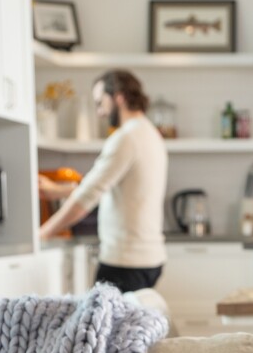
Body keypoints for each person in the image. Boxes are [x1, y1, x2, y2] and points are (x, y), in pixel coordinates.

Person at [39, 69, 168, 293]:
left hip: (125, 262)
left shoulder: (126, 138)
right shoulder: (149, 134)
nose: (100, 112)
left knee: (102, 327)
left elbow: (88, 195)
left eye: (100, 102)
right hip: (148, 259)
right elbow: (115, 186)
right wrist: (58, 191)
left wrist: (44, 232)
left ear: (118, 96)